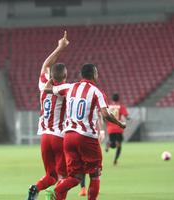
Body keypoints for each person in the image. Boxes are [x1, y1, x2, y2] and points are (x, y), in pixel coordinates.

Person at [45, 63, 126, 200]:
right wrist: (120, 123)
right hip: (86, 137)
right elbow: (106, 115)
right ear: (94, 74)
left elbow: (47, 89)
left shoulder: (69, 87)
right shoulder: (97, 92)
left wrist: (52, 77)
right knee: (95, 175)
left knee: (75, 177)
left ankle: (55, 190)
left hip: (69, 137)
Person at [26, 31, 69, 200]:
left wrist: (59, 48)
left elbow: (45, 65)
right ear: (65, 76)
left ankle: (35, 189)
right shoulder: (66, 90)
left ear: (51, 75)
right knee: (64, 177)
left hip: (44, 136)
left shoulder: (43, 85)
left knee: (50, 175)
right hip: (59, 137)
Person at [105, 93, 130, 165]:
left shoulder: (108, 106)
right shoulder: (121, 106)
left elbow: (104, 115)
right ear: (118, 99)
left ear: (112, 99)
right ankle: (115, 160)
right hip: (119, 128)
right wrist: (128, 118)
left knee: (113, 144)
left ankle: (109, 144)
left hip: (110, 129)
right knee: (119, 145)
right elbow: (126, 116)